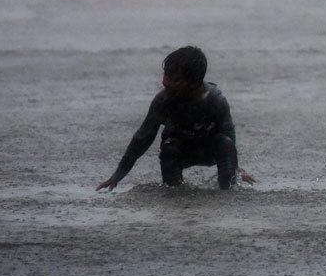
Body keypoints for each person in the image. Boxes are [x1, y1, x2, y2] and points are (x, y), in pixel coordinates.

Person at [96, 46, 253, 191]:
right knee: (169, 148)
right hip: (180, 150)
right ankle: (174, 192)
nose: (166, 82)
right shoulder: (163, 101)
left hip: (209, 149)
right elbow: (142, 138)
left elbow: (228, 135)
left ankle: (229, 191)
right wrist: (118, 175)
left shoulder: (215, 101)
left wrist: (236, 168)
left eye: (175, 79)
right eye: (166, 75)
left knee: (225, 144)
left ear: (194, 83)